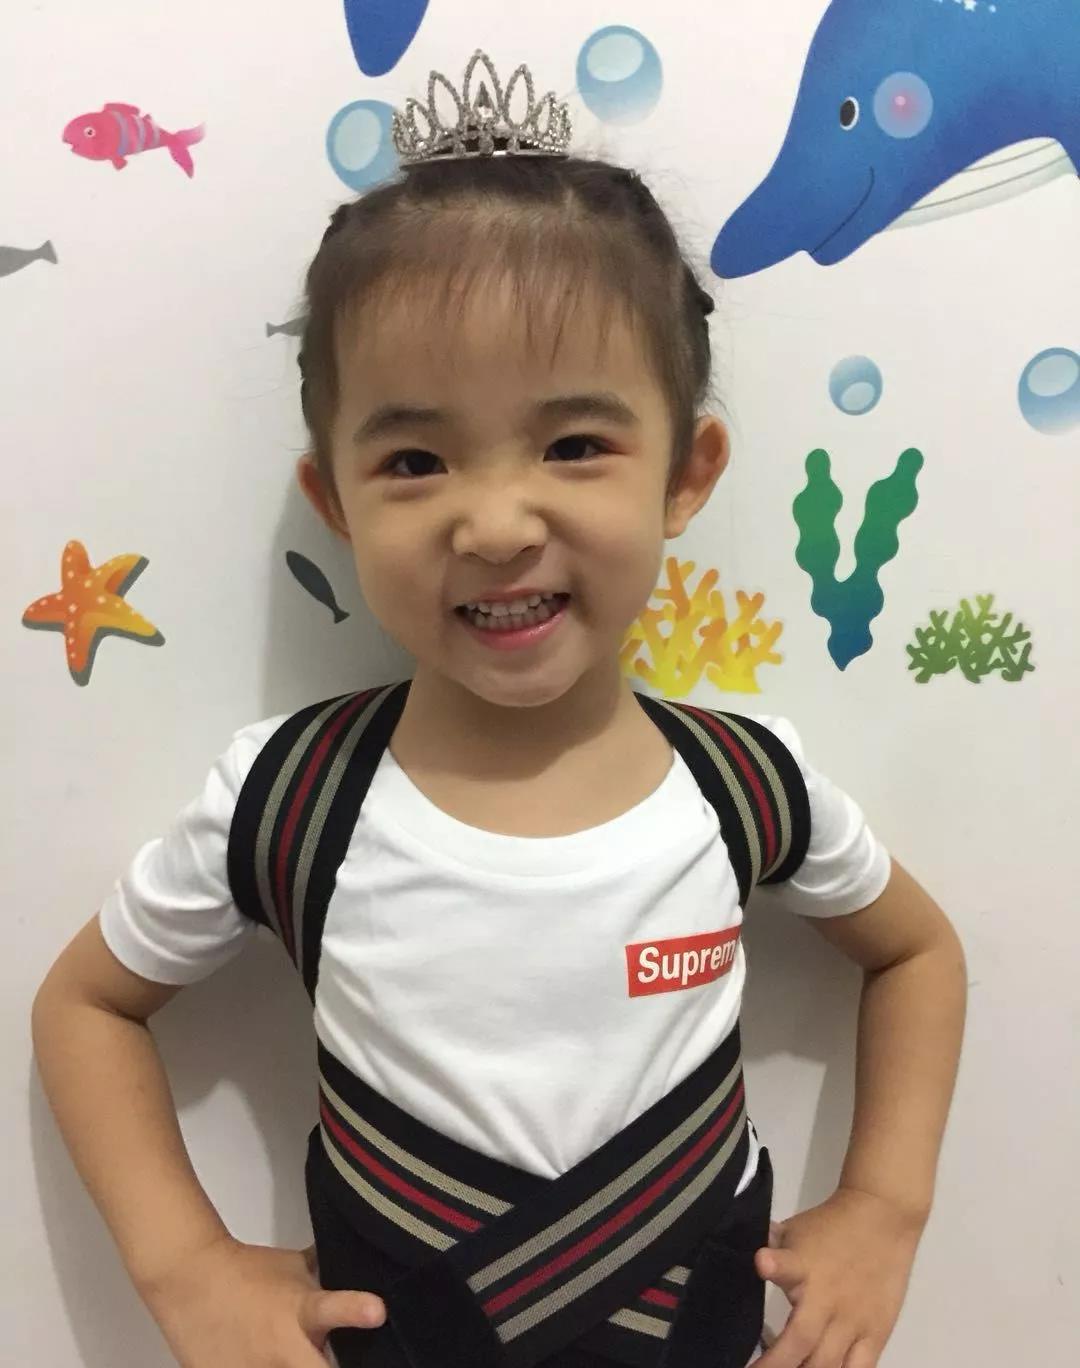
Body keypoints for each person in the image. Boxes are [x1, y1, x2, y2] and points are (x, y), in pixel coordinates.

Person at [31, 50, 966, 1368]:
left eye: (574, 446)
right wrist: (185, 1269)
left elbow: (918, 952)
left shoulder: (747, 786)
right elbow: (84, 1006)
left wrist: (886, 1209)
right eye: (416, 460)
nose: (496, 524)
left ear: (686, 475)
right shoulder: (291, 800)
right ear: (335, 500)